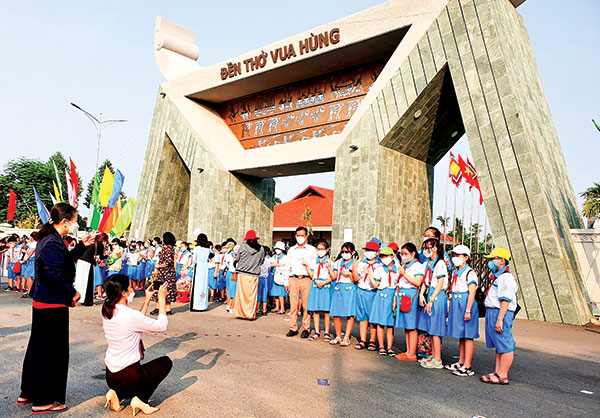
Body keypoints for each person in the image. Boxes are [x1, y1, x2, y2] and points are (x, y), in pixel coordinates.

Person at [18, 203, 96, 414]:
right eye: (75, 220)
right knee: (51, 353)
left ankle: (29, 392)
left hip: (45, 301)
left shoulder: (50, 239)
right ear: (65, 222)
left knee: (38, 348)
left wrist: (82, 246)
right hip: (51, 303)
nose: (76, 224)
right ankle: (43, 399)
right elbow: (53, 274)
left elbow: (63, 261)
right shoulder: (52, 242)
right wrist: (72, 292)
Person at [102, 274, 172, 415]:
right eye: (130, 287)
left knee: (131, 378)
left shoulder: (107, 311)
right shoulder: (130, 315)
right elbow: (162, 326)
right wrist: (162, 300)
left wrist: (146, 300)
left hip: (111, 376)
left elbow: (136, 321)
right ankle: (141, 399)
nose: (133, 289)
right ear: (123, 293)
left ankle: (116, 394)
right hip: (128, 376)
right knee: (166, 362)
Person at [481, 247, 518, 385]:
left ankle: (503, 375)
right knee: (499, 344)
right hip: (493, 311)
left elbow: (505, 300)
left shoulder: (506, 278)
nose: (491, 262)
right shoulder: (498, 277)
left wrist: (500, 319)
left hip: (500, 312)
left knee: (505, 344)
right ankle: (497, 371)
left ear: (502, 261)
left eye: (493, 259)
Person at [444, 244, 479, 376]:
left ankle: (467, 365)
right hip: (456, 301)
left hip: (465, 303)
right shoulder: (456, 271)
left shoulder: (470, 273)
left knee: (468, 335)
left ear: (466, 257)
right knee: (461, 334)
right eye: (454, 255)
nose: (454, 258)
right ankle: (461, 361)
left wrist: (468, 310)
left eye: (457, 255)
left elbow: (472, 292)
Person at [417, 237, 449, 369]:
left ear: (435, 248)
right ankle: (433, 355)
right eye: (424, 248)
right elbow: (425, 281)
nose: (425, 250)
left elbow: (440, 283)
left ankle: (438, 359)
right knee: (431, 329)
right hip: (429, 292)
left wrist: (431, 300)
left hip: (437, 295)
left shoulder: (440, 263)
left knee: (436, 329)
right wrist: (421, 295)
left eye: (427, 248)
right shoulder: (428, 263)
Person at [393, 243, 424, 361]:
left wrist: (404, 274)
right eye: (401, 254)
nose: (403, 256)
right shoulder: (405, 265)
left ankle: (412, 353)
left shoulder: (418, 266)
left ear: (413, 254)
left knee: (411, 326)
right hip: (402, 294)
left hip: (411, 295)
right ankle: (408, 351)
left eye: (405, 254)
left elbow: (417, 282)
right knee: (406, 326)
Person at [285, 227, 316, 338]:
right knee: (293, 305)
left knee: (306, 305)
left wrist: (307, 265)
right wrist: (286, 282)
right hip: (293, 278)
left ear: (306, 236)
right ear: (295, 236)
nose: (300, 237)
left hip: (306, 278)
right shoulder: (291, 250)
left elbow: (314, 266)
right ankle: (293, 327)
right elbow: (287, 266)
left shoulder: (312, 250)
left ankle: (306, 328)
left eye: (302, 235)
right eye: (298, 235)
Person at [368, 246, 399, 356]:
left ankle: (389, 347)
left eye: (386, 256)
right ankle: (381, 346)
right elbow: (375, 284)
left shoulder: (398, 268)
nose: (384, 258)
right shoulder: (379, 269)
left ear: (392, 256)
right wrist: (370, 274)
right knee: (380, 322)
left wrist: (395, 298)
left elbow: (398, 285)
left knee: (390, 324)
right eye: (382, 256)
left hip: (392, 295)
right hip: (381, 295)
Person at [329, 242, 358, 347]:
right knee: (336, 313)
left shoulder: (356, 263)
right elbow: (334, 276)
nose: (345, 254)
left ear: (353, 252)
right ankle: (338, 336)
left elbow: (356, 280)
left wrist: (349, 274)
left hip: (350, 288)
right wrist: (329, 267)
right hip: (338, 288)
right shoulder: (339, 262)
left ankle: (346, 337)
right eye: (343, 252)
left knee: (349, 314)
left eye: (347, 252)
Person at [354, 240, 381, 351]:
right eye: (367, 250)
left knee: (372, 317)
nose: (368, 253)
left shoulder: (379, 265)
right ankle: (363, 340)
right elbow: (356, 278)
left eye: (371, 250)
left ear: (376, 252)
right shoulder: (361, 263)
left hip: (372, 292)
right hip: (361, 290)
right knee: (362, 316)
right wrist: (354, 267)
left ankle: (372, 340)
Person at [306, 239, 334, 341]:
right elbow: (312, 275)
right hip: (315, 285)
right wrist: (306, 267)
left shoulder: (330, 262)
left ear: (327, 250)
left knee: (327, 311)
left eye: (322, 249)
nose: (320, 251)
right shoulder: (314, 262)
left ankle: (327, 332)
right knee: (315, 310)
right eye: (318, 249)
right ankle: (317, 331)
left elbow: (333, 277)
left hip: (325, 286)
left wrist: (324, 282)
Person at [234, 230, 266, 320]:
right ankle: (250, 314)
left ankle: (241, 313)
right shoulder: (261, 249)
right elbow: (261, 261)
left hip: (242, 273)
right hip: (254, 274)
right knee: (252, 295)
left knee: (241, 295)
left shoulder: (243, 247)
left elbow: (238, 258)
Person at [150, 232, 177, 316]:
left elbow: (167, 262)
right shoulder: (170, 248)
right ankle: (167, 309)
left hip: (165, 273)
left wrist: (159, 266)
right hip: (169, 273)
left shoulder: (167, 249)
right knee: (168, 290)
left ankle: (158, 308)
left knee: (160, 289)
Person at [190, 233, 211, 311]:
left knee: (197, 285)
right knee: (203, 285)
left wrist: (192, 265)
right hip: (205, 267)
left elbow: (194, 259)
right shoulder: (208, 249)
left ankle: (196, 305)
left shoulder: (197, 248)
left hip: (198, 266)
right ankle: (203, 305)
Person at [270, 241, 289, 314]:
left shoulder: (285, 257)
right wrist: (277, 265)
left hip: (282, 277)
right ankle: (277, 307)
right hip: (274, 276)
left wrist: (276, 265)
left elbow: (285, 267)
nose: (277, 250)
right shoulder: (274, 257)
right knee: (275, 294)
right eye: (276, 249)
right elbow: (270, 264)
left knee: (281, 294)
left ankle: (282, 308)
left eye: (279, 249)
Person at [20, 232, 39, 298]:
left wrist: (26, 259)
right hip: (32, 260)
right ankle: (30, 291)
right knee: (30, 276)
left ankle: (30, 291)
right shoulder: (34, 243)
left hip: (31, 260)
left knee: (29, 276)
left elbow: (32, 252)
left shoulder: (34, 243)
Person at [257, 246, 272, 316]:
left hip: (259, 278)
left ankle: (257, 310)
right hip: (265, 278)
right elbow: (269, 268)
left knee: (258, 294)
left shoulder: (258, 260)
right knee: (264, 294)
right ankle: (264, 310)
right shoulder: (267, 261)